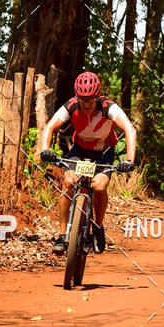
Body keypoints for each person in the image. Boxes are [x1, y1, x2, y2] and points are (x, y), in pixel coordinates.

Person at [40, 71, 136, 255]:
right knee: (68, 182)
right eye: (83, 101)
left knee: (99, 186)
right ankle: (62, 235)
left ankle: (98, 227)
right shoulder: (72, 105)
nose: (86, 105)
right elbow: (50, 126)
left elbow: (130, 130)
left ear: (97, 97)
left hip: (104, 152)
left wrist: (129, 160)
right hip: (80, 150)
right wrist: (46, 149)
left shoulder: (108, 107)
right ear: (78, 97)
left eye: (90, 101)